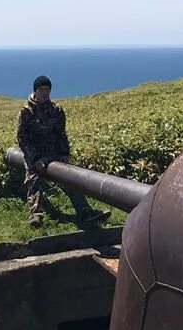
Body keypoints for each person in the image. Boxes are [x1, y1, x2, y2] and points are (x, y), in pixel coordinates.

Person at [16, 75, 111, 228]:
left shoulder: (56, 110)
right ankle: (35, 216)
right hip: (35, 156)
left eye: (47, 89)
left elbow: (61, 134)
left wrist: (64, 154)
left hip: (54, 154)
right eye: (42, 89)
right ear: (35, 91)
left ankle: (85, 212)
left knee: (69, 180)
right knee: (34, 181)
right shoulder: (26, 112)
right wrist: (35, 159)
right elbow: (22, 138)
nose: (45, 92)